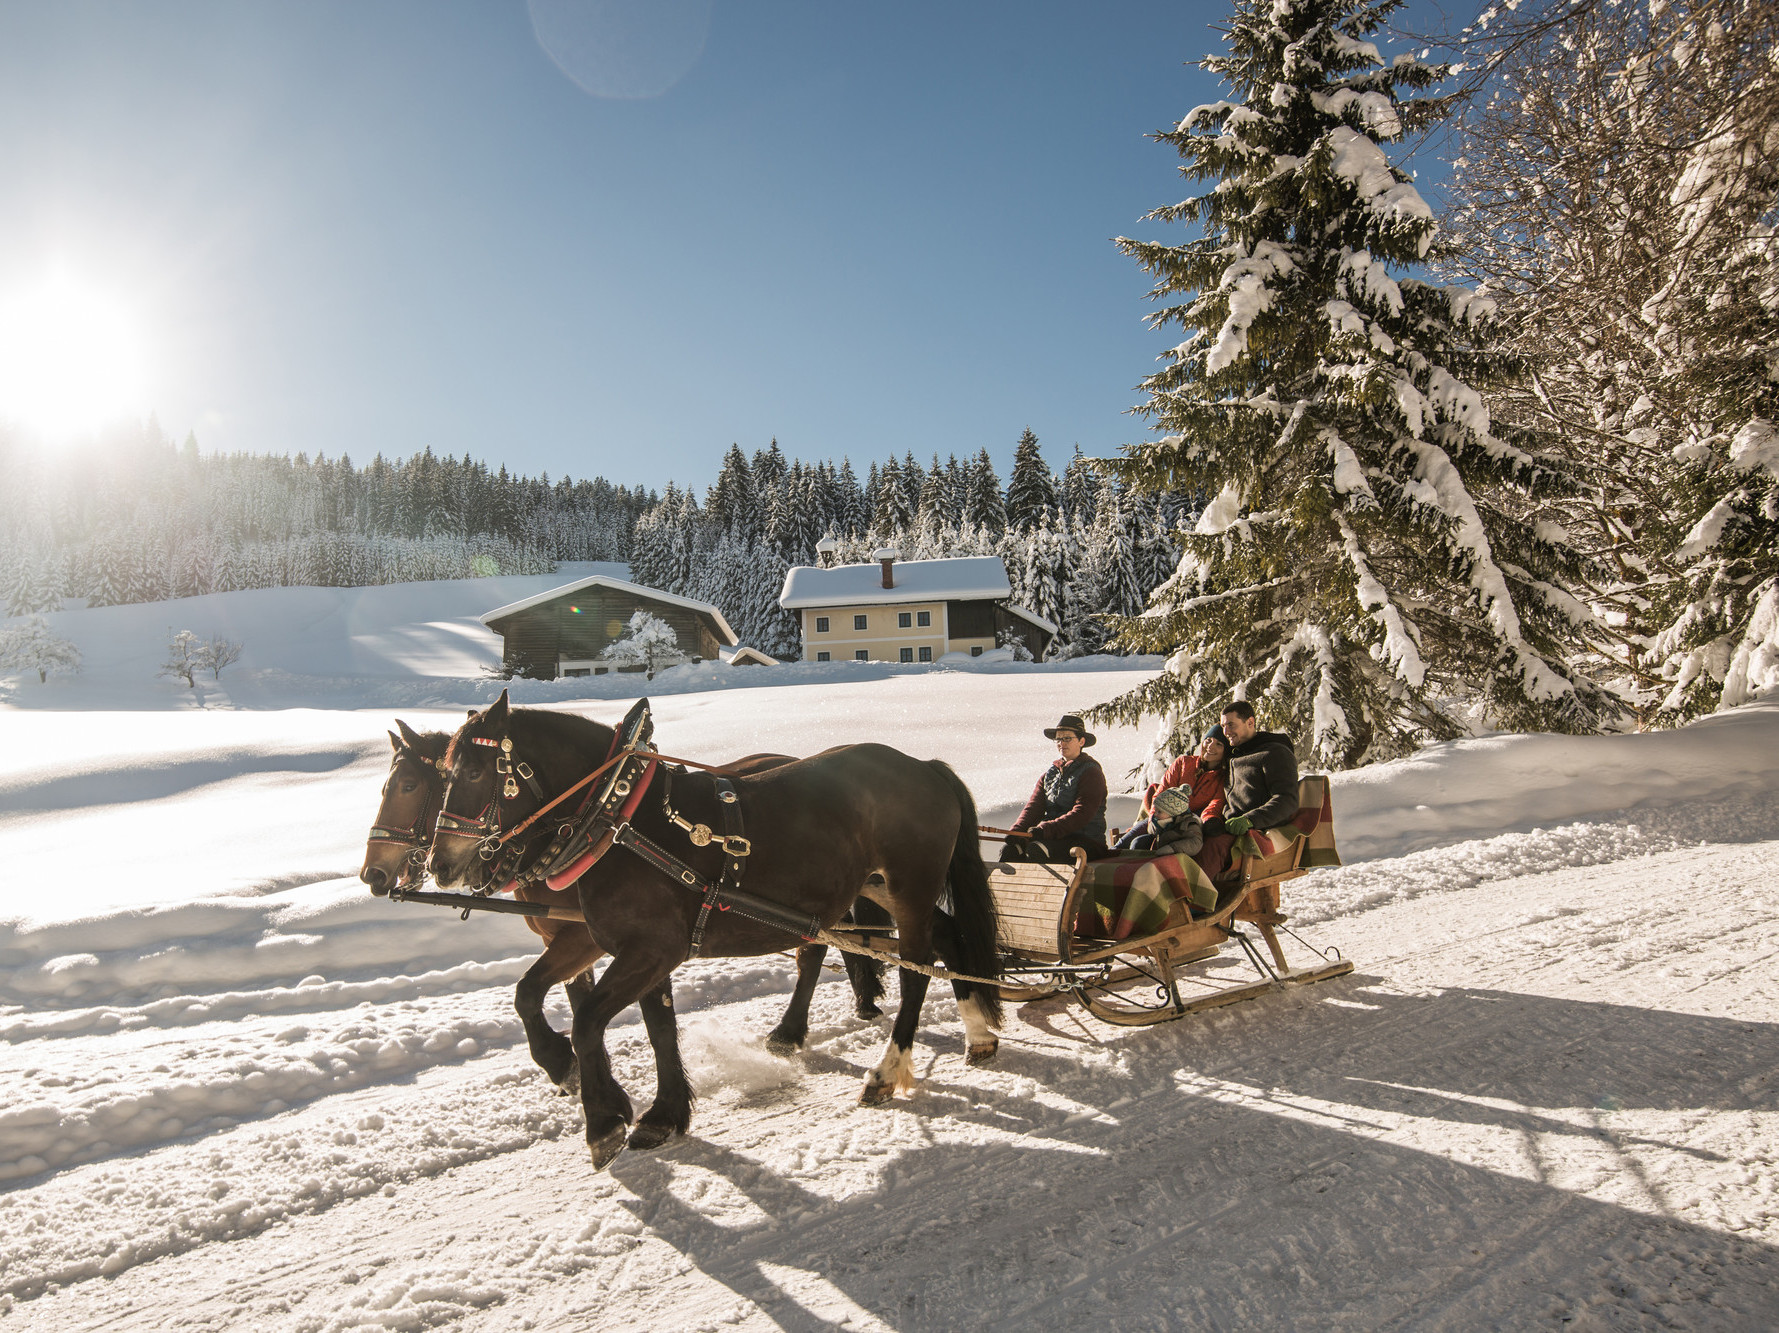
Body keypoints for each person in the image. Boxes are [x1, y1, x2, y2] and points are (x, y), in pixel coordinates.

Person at [1197, 700, 1299, 880]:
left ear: (1250, 722)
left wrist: (1250, 820)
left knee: (1212, 847)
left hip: (1254, 830)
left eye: (1231, 725)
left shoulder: (1274, 753)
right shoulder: (1235, 754)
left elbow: (1286, 799)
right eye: (1223, 726)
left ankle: (1193, 903)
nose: (1225, 732)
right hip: (1226, 826)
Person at [1002, 714, 1108, 863]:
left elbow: (1082, 813)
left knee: (1038, 849)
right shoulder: (1048, 775)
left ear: (1081, 741)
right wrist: (1017, 831)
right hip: (1053, 838)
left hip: (1087, 842)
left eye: (1067, 738)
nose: (1061, 743)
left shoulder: (1091, 773)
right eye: (1058, 739)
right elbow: (1033, 808)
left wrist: (1045, 830)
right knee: (1011, 850)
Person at [1112, 726, 1228, 853]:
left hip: (1186, 825)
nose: (1210, 746)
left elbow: (1215, 805)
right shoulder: (1183, 763)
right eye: (1208, 740)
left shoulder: (1222, 777)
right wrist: (1155, 817)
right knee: (1129, 841)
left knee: (1141, 843)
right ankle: (1108, 860)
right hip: (1162, 815)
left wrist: (1209, 821)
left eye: (1219, 744)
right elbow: (1162, 791)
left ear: (1225, 750)